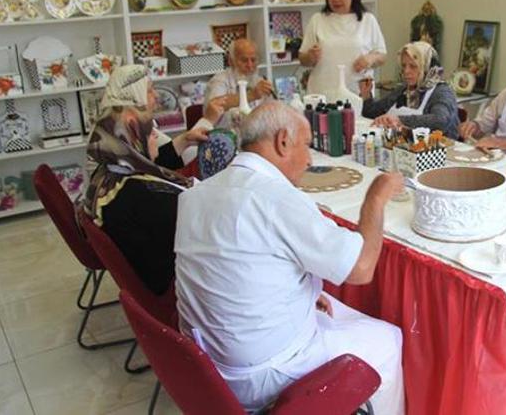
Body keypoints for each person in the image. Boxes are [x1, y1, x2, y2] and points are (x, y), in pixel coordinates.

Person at [174, 101, 406, 414]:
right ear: (283, 141)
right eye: (307, 145)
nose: (310, 159)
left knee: (333, 307)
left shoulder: (195, 194)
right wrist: (376, 196)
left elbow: (238, 267)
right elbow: (362, 268)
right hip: (262, 371)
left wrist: (307, 290)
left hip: (206, 365)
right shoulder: (275, 197)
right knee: (388, 339)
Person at [82, 65, 194, 295]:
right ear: (133, 135)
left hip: (149, 274)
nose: (156, 97)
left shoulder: (113, 162)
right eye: (149, 131)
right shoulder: (138, 193)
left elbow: (151, 164)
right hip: (171, 286)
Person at [298, 0, 386, 95]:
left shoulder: (368, 20)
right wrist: (310, 57)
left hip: (358, 92)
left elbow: (382, 56)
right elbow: (302, 58)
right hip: (322, 93)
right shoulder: (317, 19)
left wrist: (370, 58)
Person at [361, 41, 459, 139]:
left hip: (440, 151)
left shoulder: (442, 92)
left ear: (426, 67)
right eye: (404, 66)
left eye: (413, 66)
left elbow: (440, 120)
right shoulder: (403, 90)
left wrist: (400, 120)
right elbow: (371, 114)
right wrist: (366, 95)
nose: (406, 71)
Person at [193, 38, 275, 131]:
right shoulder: (219, 80)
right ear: (231, 61)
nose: (250, 65)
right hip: (225, 137)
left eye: (253, 60)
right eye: (244, 60)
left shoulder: (259, 81)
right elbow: (215, 105)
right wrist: (251, 95)